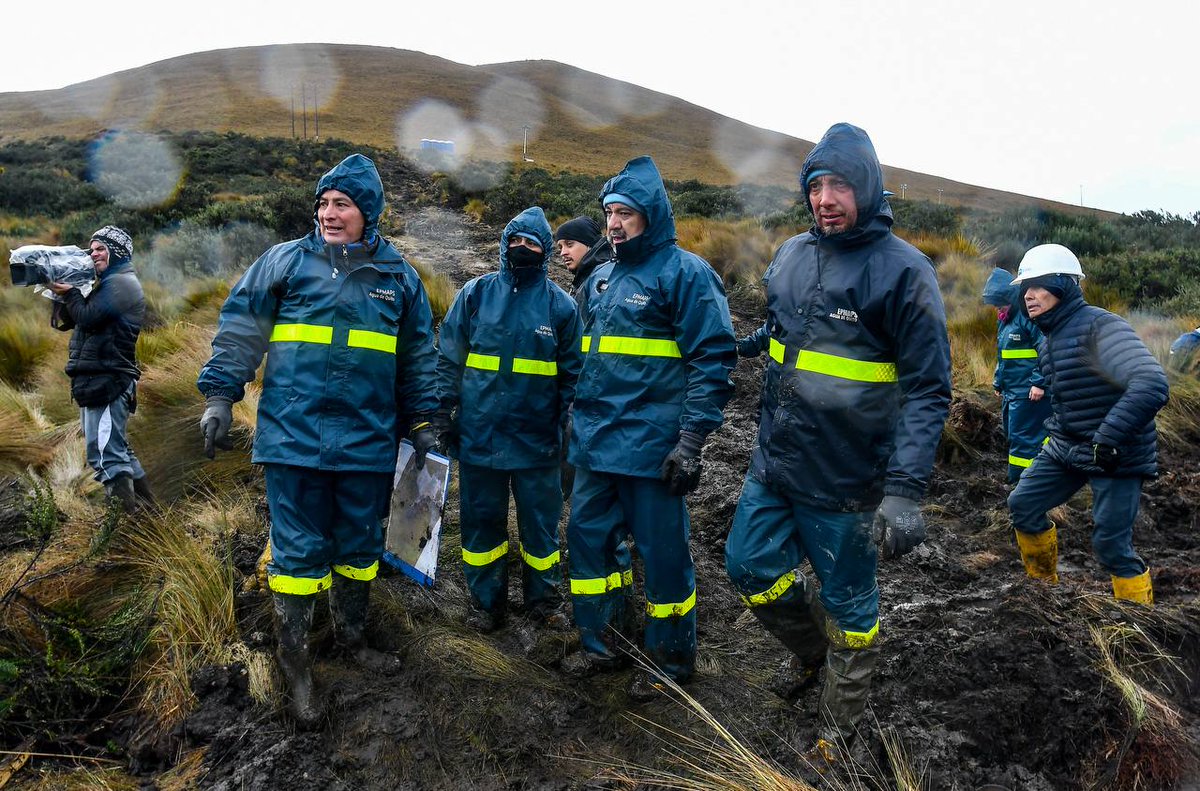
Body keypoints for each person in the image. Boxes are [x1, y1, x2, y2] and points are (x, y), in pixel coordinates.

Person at [723, 123, 952, 762]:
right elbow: (781, 329)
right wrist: (752, 344)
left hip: (849, 481)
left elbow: (930, 391)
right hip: (775, 462)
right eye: (816, 185)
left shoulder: (906, 273)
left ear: (868, 188)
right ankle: (812, 656)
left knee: (851, 605)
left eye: (840, 185)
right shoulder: (793, 253)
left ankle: (843, 720)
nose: (825, 198)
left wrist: (905, 491)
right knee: (747, 565)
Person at [196, 153, 440, 727]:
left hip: (366, 441)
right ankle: (296, 660)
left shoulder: (398, 278)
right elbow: (238, 330)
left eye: (343, 205)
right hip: (294, 437)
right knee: (299, 553)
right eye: (323, 204)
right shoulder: (285, 261)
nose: (330, 214)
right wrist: (219, 396)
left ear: (369, 213)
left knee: (358, 549)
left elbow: (417, 359)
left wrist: (423, 420)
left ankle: (352, 637)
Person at [562, 155, 737, 702]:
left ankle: (670, 662)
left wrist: (690, 443)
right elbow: (587, 360)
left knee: (664, 561)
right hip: (594, 446)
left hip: (652, 451)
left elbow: (713, 360)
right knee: (588, 546)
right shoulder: (601, 278)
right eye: (609, 212)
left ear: (651, 215)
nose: (614, 223)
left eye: (626, 213)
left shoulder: (686, 274)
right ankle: (602, 644)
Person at [435, 206, 583, 633]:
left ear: (544, 250)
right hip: (480, 440)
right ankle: (487, 604)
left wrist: (570, 433)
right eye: (515, 240)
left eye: (531, 242)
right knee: (481, 529)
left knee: (540, 532)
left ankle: (543, 603)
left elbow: (575, 378)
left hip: (538, 446)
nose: (522, 248)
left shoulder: (562, 307)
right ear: (504, 244)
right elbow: (448, 358)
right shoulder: (475, 295)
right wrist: (442, 412)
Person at [1006, 243, 1168, 606]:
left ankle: (1139, 624)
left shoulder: (1100, 326)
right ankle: (1044, 594)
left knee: (1111, 545)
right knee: (1023, 505)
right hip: (1067, 446)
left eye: (1037, 286)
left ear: (1062, 285)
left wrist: (1109, 439)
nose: (1028, 295)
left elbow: (1151, 383)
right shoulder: (1047, 340)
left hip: (1116, 452)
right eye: (1024, 289)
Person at [49, 226, 152, 511]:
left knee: (107, 455)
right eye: (91, 249)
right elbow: (70, 321)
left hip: (109, 380)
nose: (93, 253)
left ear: (117, 252)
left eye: (100, 248)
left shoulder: (122, 283)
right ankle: (150, 518)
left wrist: (71, 294)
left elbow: (89, 317)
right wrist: (64, 291)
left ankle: (122, 529)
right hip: (97, 379)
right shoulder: (106, 284)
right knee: (118, 452)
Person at [983, 266, 1051, 483]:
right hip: (1012, 392)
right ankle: (1033, 475)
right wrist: (998, 381)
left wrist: (1039, 383)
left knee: (1024, 439)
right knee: (1014, 436)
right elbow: (1004, 355)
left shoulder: (1028, 317)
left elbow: (1046, 349)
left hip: (1029, 392)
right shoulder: (1004, 319)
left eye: (999, 302)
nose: (996, 308)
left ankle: (1022, 483)